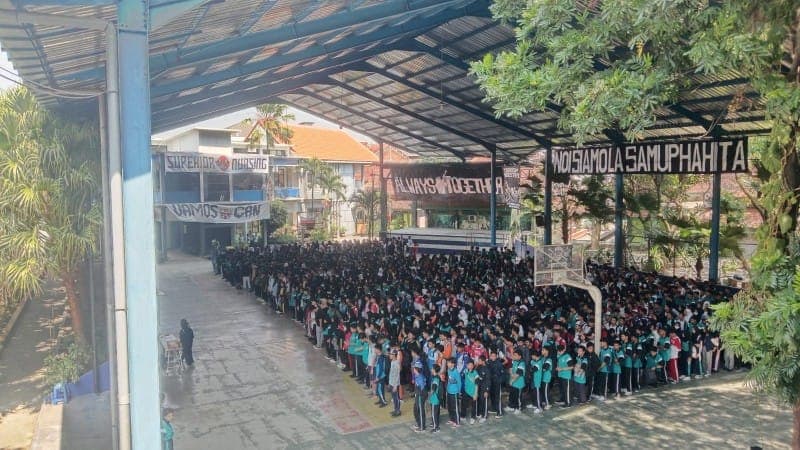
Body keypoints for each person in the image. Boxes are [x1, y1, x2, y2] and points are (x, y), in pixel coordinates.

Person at [446, 358, 462, 426]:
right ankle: (452, 419)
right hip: (449, 391)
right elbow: (449, 381)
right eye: (447, 363)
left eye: (449, 363)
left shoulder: (456, 372)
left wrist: (459, 391)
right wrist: (447, 389)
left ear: (453, 364)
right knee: (450, 407)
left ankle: (457, 421)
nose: (447, 364)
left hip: (454, 392)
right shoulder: (448, 370)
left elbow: (459, 382)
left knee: (455, 407)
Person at [412, 361, 427, 432]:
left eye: (414, 368)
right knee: (415, 409)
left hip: (421, 395)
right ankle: (419, 423)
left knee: (420, 410)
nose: (413, 369)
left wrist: (419, 396)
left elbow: (422, 389)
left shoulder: (420, 377)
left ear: (417, 369)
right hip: (418, 395)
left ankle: (422, 427)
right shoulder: (416, 375)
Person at [463, 360, 479, 424]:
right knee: (464, 404)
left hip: (473, 393)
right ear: (467, 365)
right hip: (466, 391)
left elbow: (477, 384)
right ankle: (463, 416)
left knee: (473, 406)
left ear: (473, 366)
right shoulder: (465, 371)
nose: (470, 366)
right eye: (469, 365)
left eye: (472, 365)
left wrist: (475, 393)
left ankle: (473, 418)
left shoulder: (475, 373)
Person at [429, 364, 444, 433]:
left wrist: (429, 394)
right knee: (436, 412)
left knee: (433, 413)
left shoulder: (435, 378)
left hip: (435, 399)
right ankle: (435, 423)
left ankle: (436, 427)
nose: (431, 369)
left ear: (434, 370)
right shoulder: (437, 377)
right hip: (437, 398)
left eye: (432, 368)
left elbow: (433, 389)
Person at [389, 350, 402, 417]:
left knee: (396, 398)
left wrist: (395, 386)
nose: (389, 355)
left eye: (391, 354)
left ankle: (398, 411)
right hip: (392, 382)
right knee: (394, 398)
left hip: (395, 384)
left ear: (394, 355)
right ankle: (395, 409)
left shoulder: (396, 363)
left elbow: (397, 375)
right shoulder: (392, 362)